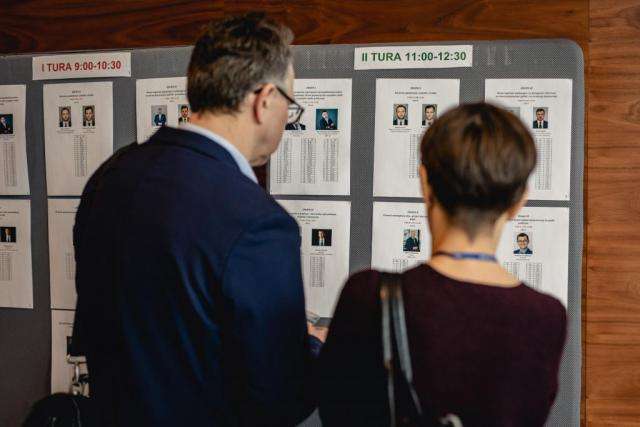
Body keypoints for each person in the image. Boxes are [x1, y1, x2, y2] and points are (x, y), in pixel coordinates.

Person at [73, 13, 321, 427]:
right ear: (264, 100)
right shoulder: (258, 222)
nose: (285, 120)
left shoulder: (110, 177)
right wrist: (312, 346)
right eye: (289, 106)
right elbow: (281, 397)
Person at [319, 103, 566, 426]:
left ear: (425, 183)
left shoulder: (367, 295)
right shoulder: (546, 318)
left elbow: (335, 411)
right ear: (519, 202)